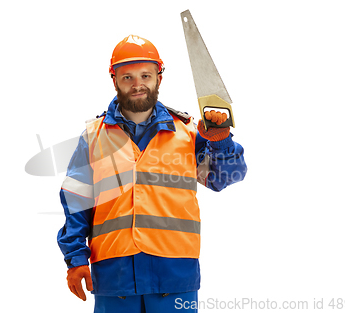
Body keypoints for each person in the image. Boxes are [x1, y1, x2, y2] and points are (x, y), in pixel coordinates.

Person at [57, 34, 247, 313]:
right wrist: (75, 259)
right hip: (114, 276)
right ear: (114, 80)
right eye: (127, 77)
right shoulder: (93, 137)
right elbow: (76, 201)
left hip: (174, 275)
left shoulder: (188, 132)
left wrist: (219, 141)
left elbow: (226, 178)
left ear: (159, 77)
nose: (138, 85)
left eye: (145, 75)